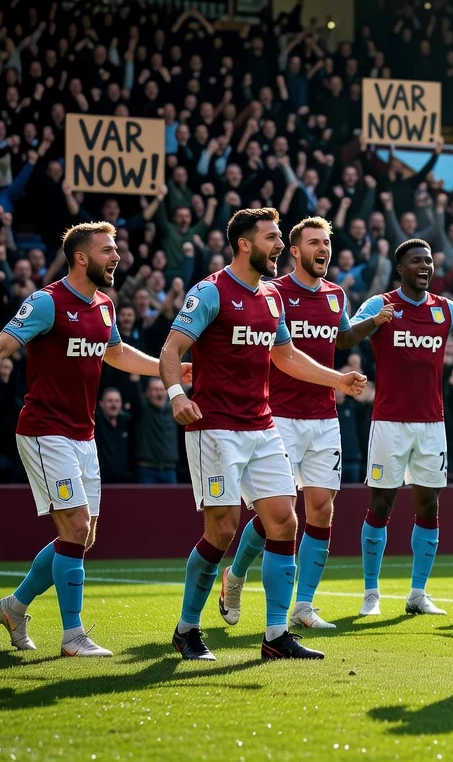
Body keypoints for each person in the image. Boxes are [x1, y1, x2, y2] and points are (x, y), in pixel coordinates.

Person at [159, 208, 367, 662]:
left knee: (285, 521)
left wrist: (336, 379)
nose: (279, 246)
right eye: (273, 238)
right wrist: (177, 394)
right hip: (214, 429)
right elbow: (172, 348)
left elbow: (286, 356)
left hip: (262, 424)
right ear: (245, 244)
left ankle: (275, 636)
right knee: (223, 529)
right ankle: (186, 628)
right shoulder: (211, 291)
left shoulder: (271, 300)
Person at [0, 222, 168, 657]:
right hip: (43, 431)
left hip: (83, 435)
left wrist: (171, 371)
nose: (117, 257)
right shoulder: (46, 302)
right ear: (81, 257)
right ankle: (73, 637)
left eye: (116, 250)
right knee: (74, 528)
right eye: (108, 250)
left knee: (82, 537)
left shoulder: (106, 306)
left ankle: (14, 608)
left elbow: (117, 354)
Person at [337, 237, 453, 616]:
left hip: (431, 424)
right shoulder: (381, 304)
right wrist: (375, 322)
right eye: (416, 261)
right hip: (389, 422)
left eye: (428, 261)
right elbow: (344, 338)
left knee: (428, 505)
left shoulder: (445, 310)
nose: (425, 266)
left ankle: (418, 594)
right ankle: (371, 594)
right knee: (381, 504)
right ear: (400, 268)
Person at [219, 216, 356, 631]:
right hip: (275, 415)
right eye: (314, 242)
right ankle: (236, 575)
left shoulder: (337, 296)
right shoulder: (272, 292)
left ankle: (304, 606)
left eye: (327, 243)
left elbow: (343, 338)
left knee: (322, 508)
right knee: (277, 513)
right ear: (294, 251)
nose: (323, 250)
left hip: (324, 416)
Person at [134, 379, 180, 484]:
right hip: (147, 469)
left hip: (170, 469)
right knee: (146, 501)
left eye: (162, 390)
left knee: (172, 501)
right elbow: (135, 396)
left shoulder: (174, 411)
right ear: (147, 392)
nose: (159, 393)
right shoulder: (143, 410)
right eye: (155, 390)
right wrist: (135, 380)